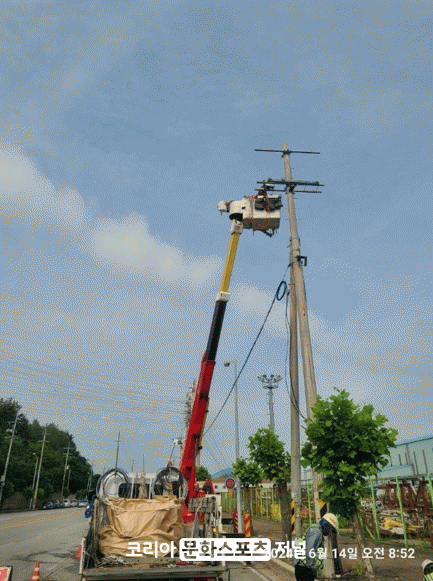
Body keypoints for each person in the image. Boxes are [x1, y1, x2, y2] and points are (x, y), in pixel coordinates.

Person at [294, 512, 339, 581]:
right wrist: (311, 567)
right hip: (304, 568)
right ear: (326, 525)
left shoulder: (316, 530)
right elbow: (309, 549)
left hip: (304, 567)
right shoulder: (316, 531)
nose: (329, 532)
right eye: (330, 529)